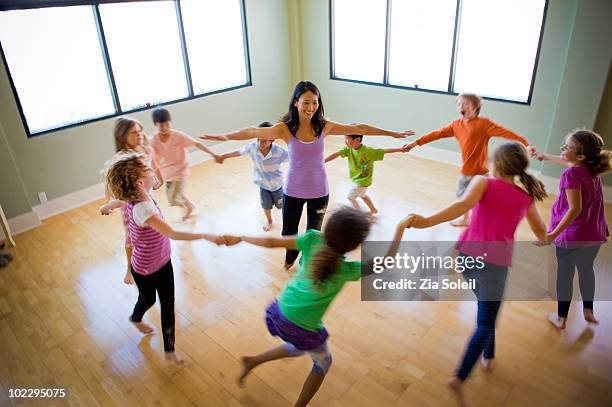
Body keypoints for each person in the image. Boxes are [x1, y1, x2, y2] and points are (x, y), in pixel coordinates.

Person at [202, 81, 414, 269]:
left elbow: (358, 127)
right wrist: (224, 136)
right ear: (295, 102)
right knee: (289, 233)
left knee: (313, 235)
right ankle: (289, 259)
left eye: (315, 102)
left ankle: (305, 264)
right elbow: (253, 132)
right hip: (293, 191)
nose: (311, 107)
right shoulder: (285, 129)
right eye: (306, 102)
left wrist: (392, 133)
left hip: (319, 192)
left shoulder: (324, 126)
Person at [219, 207, 412, 407]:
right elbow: (386, 262)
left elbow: (272, 241)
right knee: (322, 363)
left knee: (297, 348)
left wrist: (241, 237)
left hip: (279, 310)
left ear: (327, 228)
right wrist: (400, 228)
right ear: (354, 245)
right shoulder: (347, 270)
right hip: (300, 326)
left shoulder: (311, 239)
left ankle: (253, 361)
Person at [408, 143, 548, 406]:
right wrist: (547, 238)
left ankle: (489, 354)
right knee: (486, 321)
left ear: (495, 163)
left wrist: (426, 221)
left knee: (487, 311)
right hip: (494, 266)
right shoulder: (525, 198)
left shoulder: (482, 183)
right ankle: (459, 377)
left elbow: (461, 207)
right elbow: (541, 231)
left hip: (466, 258)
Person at [105, 153, 224, 364]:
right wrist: (206, 235)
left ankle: (170, 351)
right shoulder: (143, 208)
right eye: (148, 169)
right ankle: (136, 318)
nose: (153, 170)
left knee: (168, 305)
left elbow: (123, 199)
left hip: (163, 261)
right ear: (140, 182)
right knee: (148, 299)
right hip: (144, 270)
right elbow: (172, 233)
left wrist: (110, 205)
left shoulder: (140, 193)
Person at [404, 93, 536, 227]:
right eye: (459, 104)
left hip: (482, 171)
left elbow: (506, 132)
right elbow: (436, 134)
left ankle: (480, 219)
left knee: (482, 199)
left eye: (466, 104)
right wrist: (415, 143)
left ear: (475, 108)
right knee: (464, 198)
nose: (462, 106)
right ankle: (465, 219)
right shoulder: (456, 125)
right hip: (467, 170)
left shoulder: (484, 124)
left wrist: (526, 143)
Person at [537, 129, 610, 329]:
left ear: (580, 155)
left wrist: (553, 234)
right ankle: (588, 310)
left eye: (566, 147)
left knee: (565, 274)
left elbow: (574, 208)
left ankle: (561, 318)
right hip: (594, 233)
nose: (562, 148)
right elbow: (570, 163)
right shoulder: (592, 169)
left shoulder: (570, 175)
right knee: (586, 270)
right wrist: (546, 156)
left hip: (573, 235)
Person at [100, 117, 162, 284]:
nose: (139, 134)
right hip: (130, 205)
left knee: (152, 230)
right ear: (122, 136)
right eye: (134, 132)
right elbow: (120, 189)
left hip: (148, 200)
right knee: (131, 237)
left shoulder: (144, 149)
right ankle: (130, 267)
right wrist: (110, 203)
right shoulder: (123, 159)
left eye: (140, 130)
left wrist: (158, 177)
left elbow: (152, 165)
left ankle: (155, 259)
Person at [151, 108, 222, 220]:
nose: (164, 128)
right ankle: (190, 206)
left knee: (174, 197)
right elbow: (152, 160)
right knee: (172, 198)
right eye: (161, 126)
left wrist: (213, 154)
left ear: (170, 122)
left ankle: (189, 207)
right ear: (155, 125)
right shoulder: (153, 141)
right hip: (167, 172)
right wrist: (158, 178)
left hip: (180, 170)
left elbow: (197, 144)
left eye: (167, 125)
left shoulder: (178, 136)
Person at [218, 121, 288, 231]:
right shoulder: (252, 147)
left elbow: (295, 158)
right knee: (266, 205)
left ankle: (287, 220)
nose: (261, 143)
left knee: (281, 206)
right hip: (263, 184)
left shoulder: (279, 152)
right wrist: (224, 156)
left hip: (277, 185)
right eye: (259, 139)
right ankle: (269, 221)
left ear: (272, 140)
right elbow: (239, 152)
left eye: (265, 141)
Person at [325, 133, 410, 214]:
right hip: (359, 180)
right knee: (363, 195)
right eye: (345, 138)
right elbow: (336, 154)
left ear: (357, 139)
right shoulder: (348, 149)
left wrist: (401, 149)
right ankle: (373, 210)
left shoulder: (368, 151)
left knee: (350, 197)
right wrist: (323, 161)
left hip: (362, 181)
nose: (345, 141)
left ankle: (359, 215)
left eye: (347, 139)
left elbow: (384, 151)